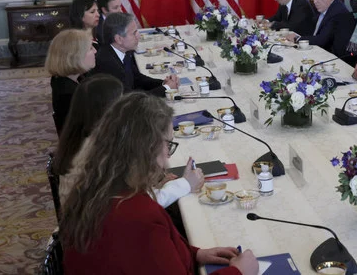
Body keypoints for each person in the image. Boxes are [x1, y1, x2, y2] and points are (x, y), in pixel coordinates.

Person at [60, 92, 258, 274]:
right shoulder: (138, 215)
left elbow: (143, 256)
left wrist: (194, 254)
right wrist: (239, 272)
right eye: (168, 144)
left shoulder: (97, 186)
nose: (167, 158)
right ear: (147, 148)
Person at [56, 75, 204, 210]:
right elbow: (135, 208)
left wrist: (153, 183)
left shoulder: (83, 138)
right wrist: (184, 184)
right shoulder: (97, 151)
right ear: (110, 109)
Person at [54, 74, 124, 201]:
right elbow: (123, 199)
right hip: (92, 217)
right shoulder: (99, 150)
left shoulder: (76, 138)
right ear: (107, 109)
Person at [93, 12, 178, 96]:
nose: (138, 35)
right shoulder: (108, 63)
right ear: (119, 39)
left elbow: (137, 78)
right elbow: (130, 100)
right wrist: (166, 89)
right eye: (134, 33)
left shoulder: (124, 51)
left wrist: (163, 83)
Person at [285, 0, 356, 57]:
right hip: (319, 51)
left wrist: (297, 38)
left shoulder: (338, 12)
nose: (315, 1)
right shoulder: (323, 7)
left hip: (332, 57)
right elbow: (313, 31)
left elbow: (322, 40)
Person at [45, 29, 97, 136]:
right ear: (76, 56)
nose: (95, 51)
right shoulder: (70, 94)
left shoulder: (63, 79)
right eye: (91, 48)